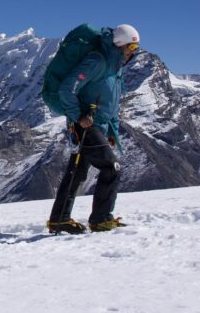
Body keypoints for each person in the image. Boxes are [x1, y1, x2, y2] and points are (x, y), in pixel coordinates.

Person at [47, 24, 141, 234]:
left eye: (135, 49)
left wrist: (111, 131)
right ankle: (100, 219)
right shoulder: (98, 61)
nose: (132, 53)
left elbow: (112, 104)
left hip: (96, 125)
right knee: (112, 168)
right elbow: (68, 88)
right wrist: (78, 116)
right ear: (119, 45)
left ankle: (59, 219)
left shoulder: (115, 68)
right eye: (131, 48)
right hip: (85, 125)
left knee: (77, 173)